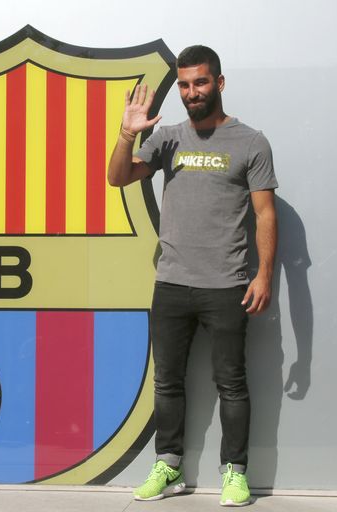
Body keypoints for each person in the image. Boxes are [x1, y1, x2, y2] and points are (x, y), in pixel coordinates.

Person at [107, 45, 278, 507]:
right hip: (172, 284)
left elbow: (265, 215)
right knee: (167, 383)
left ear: (218, 83)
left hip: (226, 284)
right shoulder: (169, 139)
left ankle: (235, 472)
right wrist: (126, 134)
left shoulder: (251, 142)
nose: (191, 92)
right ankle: (169, 466)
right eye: (184, 84)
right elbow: (117, 177)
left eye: (200, 82)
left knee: (232, 383)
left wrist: (263, 276)